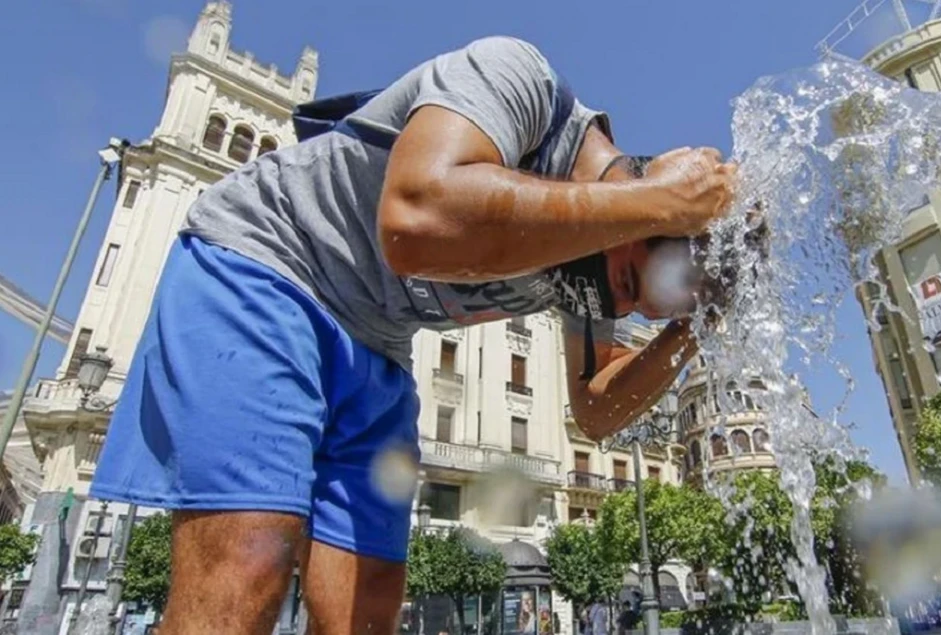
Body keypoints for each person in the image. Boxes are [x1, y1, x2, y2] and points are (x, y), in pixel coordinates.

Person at [90, 36, 736, 635]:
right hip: (271, 262)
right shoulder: (520, 79)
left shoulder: (600, 255)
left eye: (639, 307)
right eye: (625, 280)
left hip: (377, 345)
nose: (613, 306)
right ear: (644, 193)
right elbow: (415, 219)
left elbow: (595, 409)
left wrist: (695, 326)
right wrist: (663, 201)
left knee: (368, 608)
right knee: (248, 566)